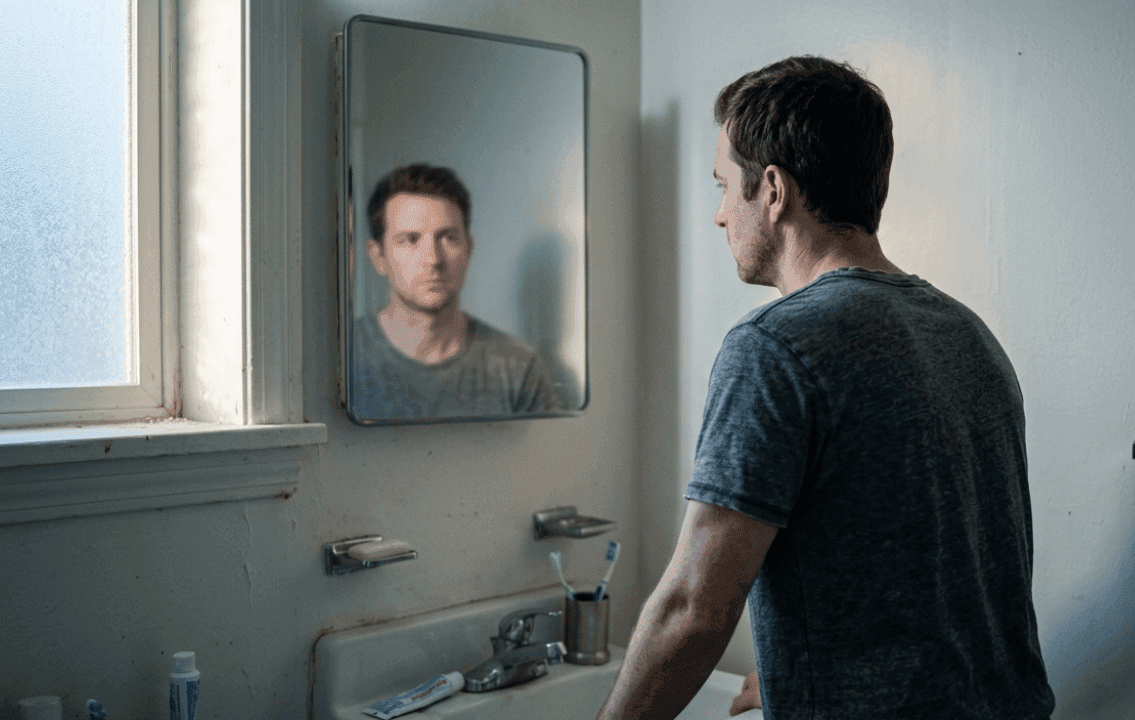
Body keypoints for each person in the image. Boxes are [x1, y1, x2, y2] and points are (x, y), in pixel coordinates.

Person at [596, 56, 1055, 719]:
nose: (722, 214)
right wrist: (794, 671)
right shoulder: (967, 335)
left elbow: (694, 610)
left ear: (774, 190)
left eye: (725, 185)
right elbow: (930, 567)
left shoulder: (775, 348)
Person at [349, 163, 559, 420]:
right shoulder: (346, 358)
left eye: (448, 238)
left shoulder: (519, 368)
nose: (433, 259)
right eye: (410, 240)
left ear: (468, 249)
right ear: (378, 256)